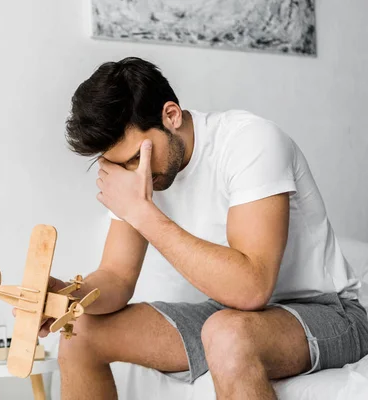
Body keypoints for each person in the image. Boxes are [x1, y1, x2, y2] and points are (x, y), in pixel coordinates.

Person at [42, 57, 368, 400]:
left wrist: (141, 212)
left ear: (171, 115)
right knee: (79, 332)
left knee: (227, 335)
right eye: (119, 165)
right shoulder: (140, 172)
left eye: (137, 158)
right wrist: (70, 297)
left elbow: (251, 287)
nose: (133, 174)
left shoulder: (250, 141)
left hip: (327, 311)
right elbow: (116, 277)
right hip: (229, 316)